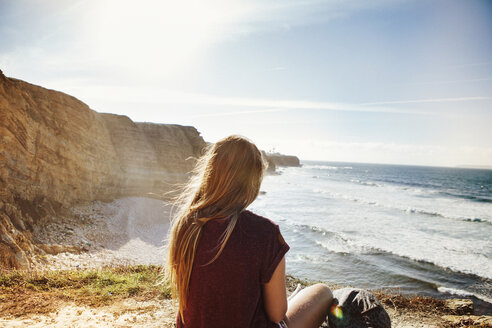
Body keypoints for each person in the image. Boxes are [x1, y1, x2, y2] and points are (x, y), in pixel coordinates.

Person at [166, 135, 333, 328]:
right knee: (322, 292)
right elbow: (277, 314)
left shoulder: (186, 226)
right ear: (252, 182)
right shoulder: (265, 233)